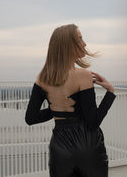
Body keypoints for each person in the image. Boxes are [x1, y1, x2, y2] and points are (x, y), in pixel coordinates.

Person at [24, 23, 116, 177]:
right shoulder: (83, 76)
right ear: (68, 45)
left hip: (60, 149)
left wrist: (57, 108)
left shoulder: (42, 78)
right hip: (88, 147)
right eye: (80, 39)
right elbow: (92, 122)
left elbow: (30, 118)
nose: (84, 43)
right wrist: (110, 93)